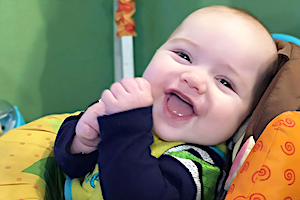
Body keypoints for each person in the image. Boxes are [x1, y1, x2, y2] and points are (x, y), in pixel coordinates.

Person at [54, 5, 278, 200]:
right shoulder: (127, 108)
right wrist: (81, 140)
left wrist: (125, 128)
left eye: (224, 82)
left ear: (244, 117)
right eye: (184, 56)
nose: (194, 79)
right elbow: (68, 166)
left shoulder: (199, 165)